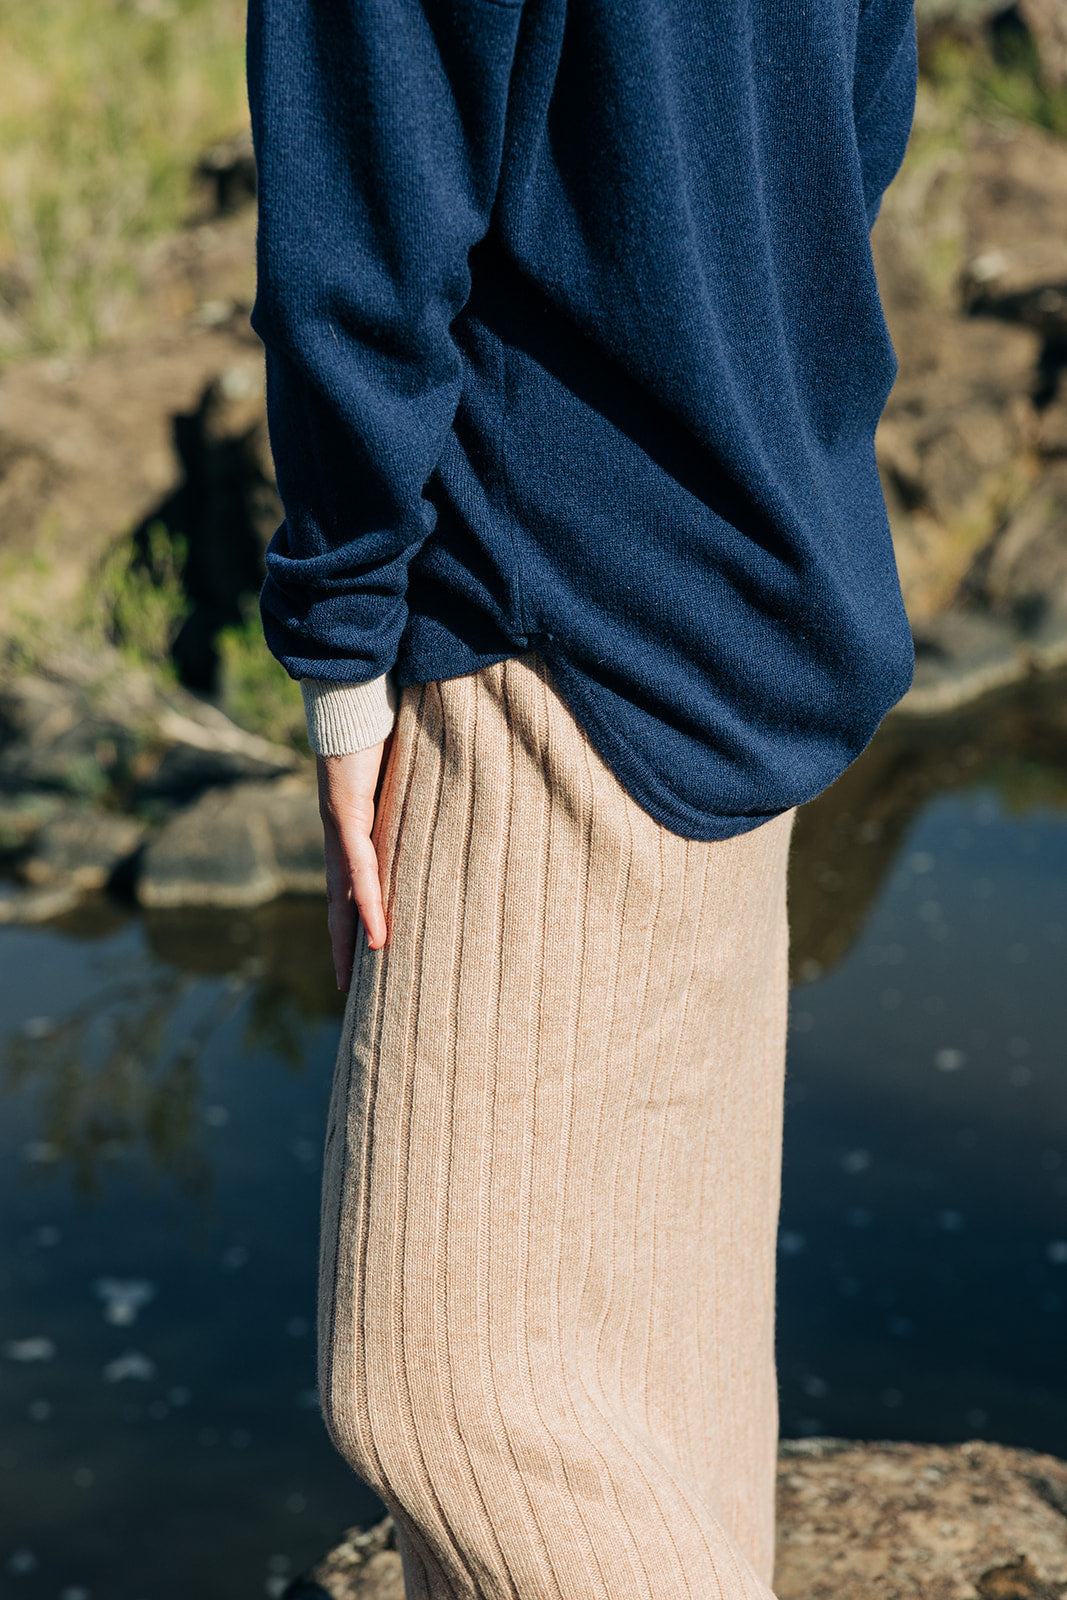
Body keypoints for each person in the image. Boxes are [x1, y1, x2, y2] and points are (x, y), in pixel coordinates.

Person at [245, 0, 918, 1594]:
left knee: (442, 1383)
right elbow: (849, 121)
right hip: (751, 569)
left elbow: (368, 185)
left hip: (550, 616)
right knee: (659, 1361)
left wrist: (346, 645)